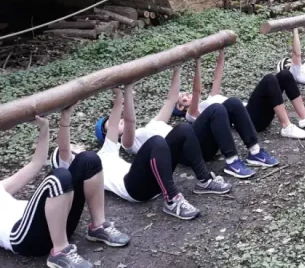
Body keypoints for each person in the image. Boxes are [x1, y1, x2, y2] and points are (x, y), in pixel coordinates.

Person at [87, 78, 232, 220]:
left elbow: (129, 120)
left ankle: (204, 180)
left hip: (152, 178)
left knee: (183, 129)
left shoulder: (109, 150)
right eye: (113, 124)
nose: (118, 122)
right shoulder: (91, 162)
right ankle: (172, 200)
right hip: (133, 189)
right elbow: (66, 155)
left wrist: (123, 93)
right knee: (156, 141)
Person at [2, 113, 129, 268]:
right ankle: (60, 253)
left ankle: (98, 226)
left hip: (59, 227)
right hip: (25, 239)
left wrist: (44, 128)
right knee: (58, 178)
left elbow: (37, 163)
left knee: (89, 160)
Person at [177, 50, 305, 174]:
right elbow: (197, 90)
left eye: (185, 93)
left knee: (284, 75)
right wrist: (197, 62)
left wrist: (221, 50)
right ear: (181, 108)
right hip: (249, 117)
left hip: (251, 114)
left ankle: (304, 118)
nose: (186, 96)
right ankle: (286, 126)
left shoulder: (211, 97)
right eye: (183, 100)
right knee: (267, 80)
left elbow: (217, 76)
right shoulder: (193, 113)